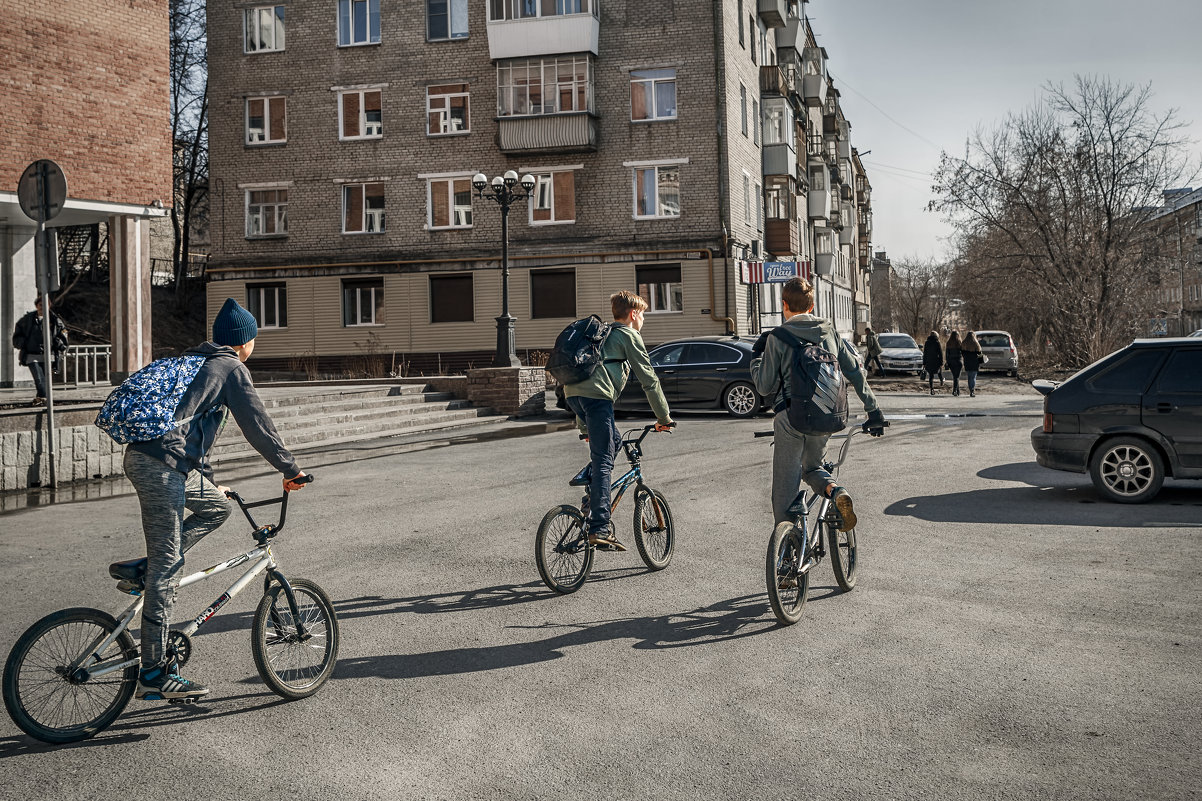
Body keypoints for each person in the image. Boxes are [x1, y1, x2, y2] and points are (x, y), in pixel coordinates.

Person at [125, 298, 307, 701]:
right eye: (254, 338)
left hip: (154, 460)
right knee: (167, 569)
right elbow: (258, 425)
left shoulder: (198, 362)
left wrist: (208, 482)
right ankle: (153, 672)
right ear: (246, 340)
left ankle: (147, 567)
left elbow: (191, 430)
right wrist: (290, 469)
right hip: (161, 468)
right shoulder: (231, 368)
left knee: (218, 507)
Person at [750, 277, 886, 538]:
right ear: (812, 306)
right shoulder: (830, 332)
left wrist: (756, 359)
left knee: (784, 487)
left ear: (784, 305)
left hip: (790, 419)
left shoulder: (778, 337)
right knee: (813, 468)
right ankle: (836, 492)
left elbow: (764, 387)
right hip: (825, 416)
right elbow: (855, 372)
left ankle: (788, 546)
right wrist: (873, 410)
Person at [562, 290, 673, 551]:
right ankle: (600, 528)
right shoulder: (627, 335)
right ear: (634, 314)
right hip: (597, 400)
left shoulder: (602, 333)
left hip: (574, 396)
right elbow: (649, 379)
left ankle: (590, 484)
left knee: (613, 442)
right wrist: (663, 417)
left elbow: (583, 381)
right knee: (604, 461)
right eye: (643, 313)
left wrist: (584, 428)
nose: (643, 319)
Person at [11, 294, 68, 406]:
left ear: (49, 306)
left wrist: (60, 345)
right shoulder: (27, 320)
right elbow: (18, 335)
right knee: (38, 377)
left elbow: (63, 334)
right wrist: (23, 343)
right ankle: (44, 398)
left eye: (45, 305)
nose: (42, 307)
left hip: (49, 355)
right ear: (36, 306)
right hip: (32, 355)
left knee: (46, 380)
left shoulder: (55, 320)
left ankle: (40, 399)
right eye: (40, 305)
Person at [961, 331, 986, 397]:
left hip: (967, 362)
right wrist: (981, 362)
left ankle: (970, 389)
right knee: (973, 377)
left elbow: (962, 353)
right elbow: (980, 355)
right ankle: (972, 390)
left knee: (969, 377)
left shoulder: (964, 343)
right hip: (975, 363)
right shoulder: (976, 344)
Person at [922, 331, 944, 395]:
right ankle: (941, 380)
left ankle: (931, 389)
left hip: (929, 361)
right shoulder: (937, 342)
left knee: (931, 376)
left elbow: (925, 353)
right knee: (939, 371)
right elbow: (940, 353)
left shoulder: (927, 343)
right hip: (936, 360)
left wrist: (924, 362)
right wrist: (941, 362)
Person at [945, 330, 963, 396]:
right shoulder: (960, 342)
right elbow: (963, 353)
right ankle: (955, 390)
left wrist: (947, 361)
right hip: (959, 361)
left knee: (955, 376)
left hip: (951, 361)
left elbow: (946, 354)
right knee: (957, 377)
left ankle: (957, 391)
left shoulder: (948, 343)